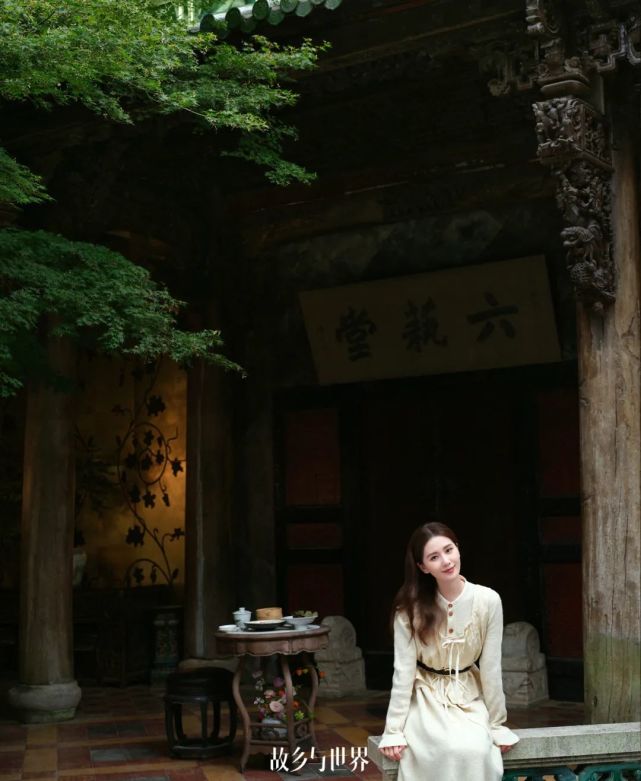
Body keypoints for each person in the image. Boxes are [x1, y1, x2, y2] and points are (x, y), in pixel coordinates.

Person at [378, 522, 519, 781]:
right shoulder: (409, 609)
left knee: (475, 750)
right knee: (442, 749)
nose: (446, 561)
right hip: (425, 696)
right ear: (423, 567)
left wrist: (497, 724)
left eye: (449, 550)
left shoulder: (488, 601)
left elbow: (491, 667)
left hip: (469, 694)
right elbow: (403, 671)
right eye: (434, 557)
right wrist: (393, 730)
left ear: (458, 549)